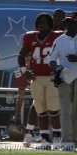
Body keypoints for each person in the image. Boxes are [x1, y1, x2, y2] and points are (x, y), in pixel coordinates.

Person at [18, 13, 62, 148]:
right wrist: (25, 71)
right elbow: (21, 55)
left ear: (50, 24)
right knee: (40, 109)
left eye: (46, 22)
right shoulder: (30, 36)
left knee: (54, 109)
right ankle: (44, 139)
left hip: (51, 77)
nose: (43, 24)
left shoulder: (58, 36)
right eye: (40, 22)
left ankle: (57, 138)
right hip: (36, 77)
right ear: (37, 24)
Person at [49, 12, 77, 149]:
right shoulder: (59, 40)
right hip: (64, 77)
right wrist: (57, 67)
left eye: (71, 22)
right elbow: (51, 59)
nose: (68, 25)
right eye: (67, 23)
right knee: (66, 110)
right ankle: (67, 142)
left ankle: (75, 140)